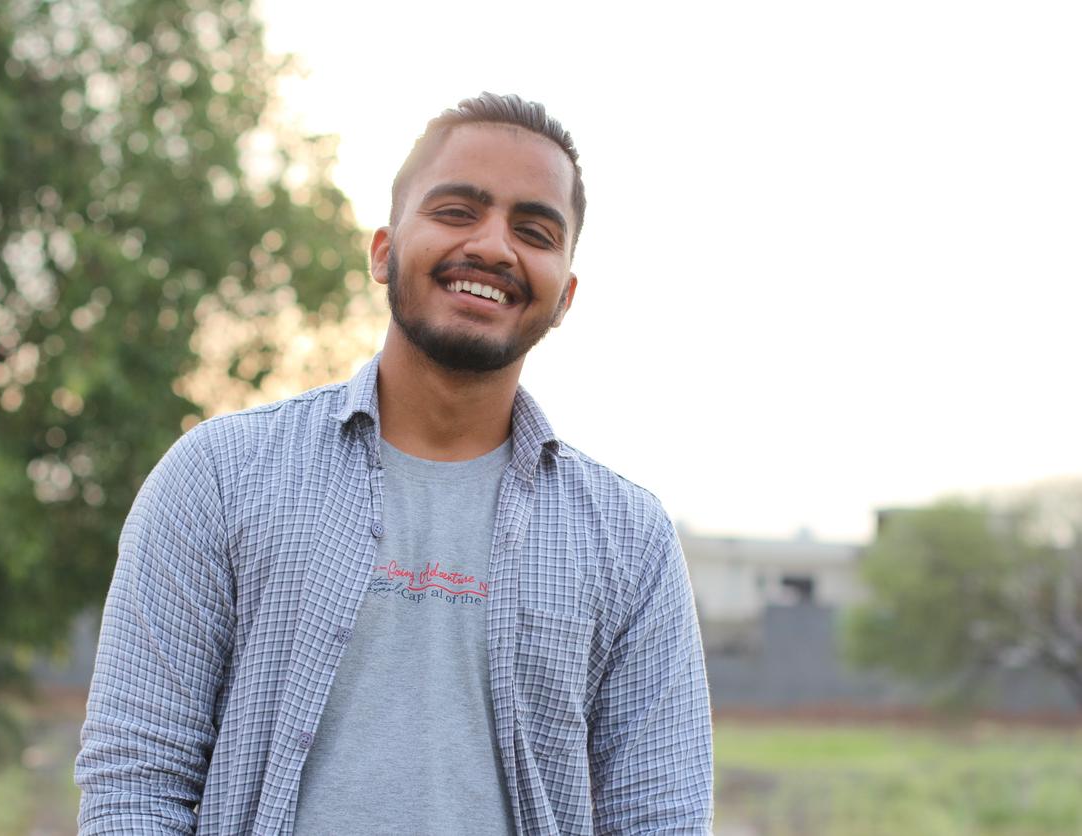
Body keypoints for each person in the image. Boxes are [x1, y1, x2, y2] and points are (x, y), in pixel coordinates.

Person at [75, 92, 713, 835]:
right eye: (455, 211)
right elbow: (133, 785)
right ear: (384, 250)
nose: (494, 247)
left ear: (564, 295)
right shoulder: (220, 477)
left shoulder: (629, 539)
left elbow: (660, 817)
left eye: (534, 229)